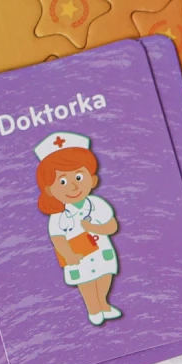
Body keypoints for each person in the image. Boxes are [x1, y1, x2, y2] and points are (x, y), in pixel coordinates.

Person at [34, 132, 120, 326]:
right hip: (78, 257)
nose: (73, 186)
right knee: (87, 282)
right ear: (49, 190)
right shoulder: (58, 216)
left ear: (93, 179)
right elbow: (57, 238)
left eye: (79, 177)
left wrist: (95, 227)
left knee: (105, 275)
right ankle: (93, 309)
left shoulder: (97, 204)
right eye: (62, 181)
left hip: (102, 252)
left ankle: (104, 304)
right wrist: (69, 255)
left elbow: (112, 225)